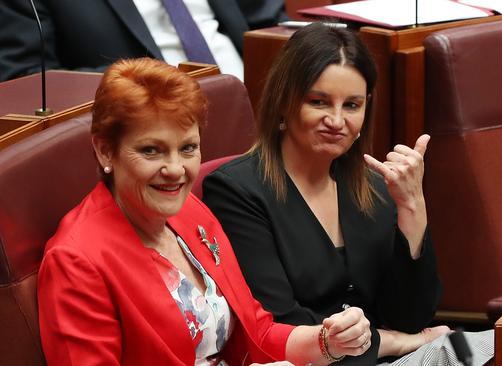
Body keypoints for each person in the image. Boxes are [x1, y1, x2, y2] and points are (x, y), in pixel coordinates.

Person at [37, 57, 372, 365]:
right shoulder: (76, 261)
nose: (175, 169)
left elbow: (256, 333)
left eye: (188, 148)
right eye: (151, 151)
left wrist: (327, 340)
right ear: (106, 151)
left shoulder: (189, 212)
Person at [201, 23, 494, 365]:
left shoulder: (371, 187)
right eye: (319, 102)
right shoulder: (236, 191)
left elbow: (411, 317)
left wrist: (412, 208)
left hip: (396, 358)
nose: (337, 120)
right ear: (284, 101)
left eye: (352, 105)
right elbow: (280, 327)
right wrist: (396, 342)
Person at [0, 0, 286, 81]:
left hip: (267, 113)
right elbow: (27, 81)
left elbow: (273, 25)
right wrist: (144, 80)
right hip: (158, 140)